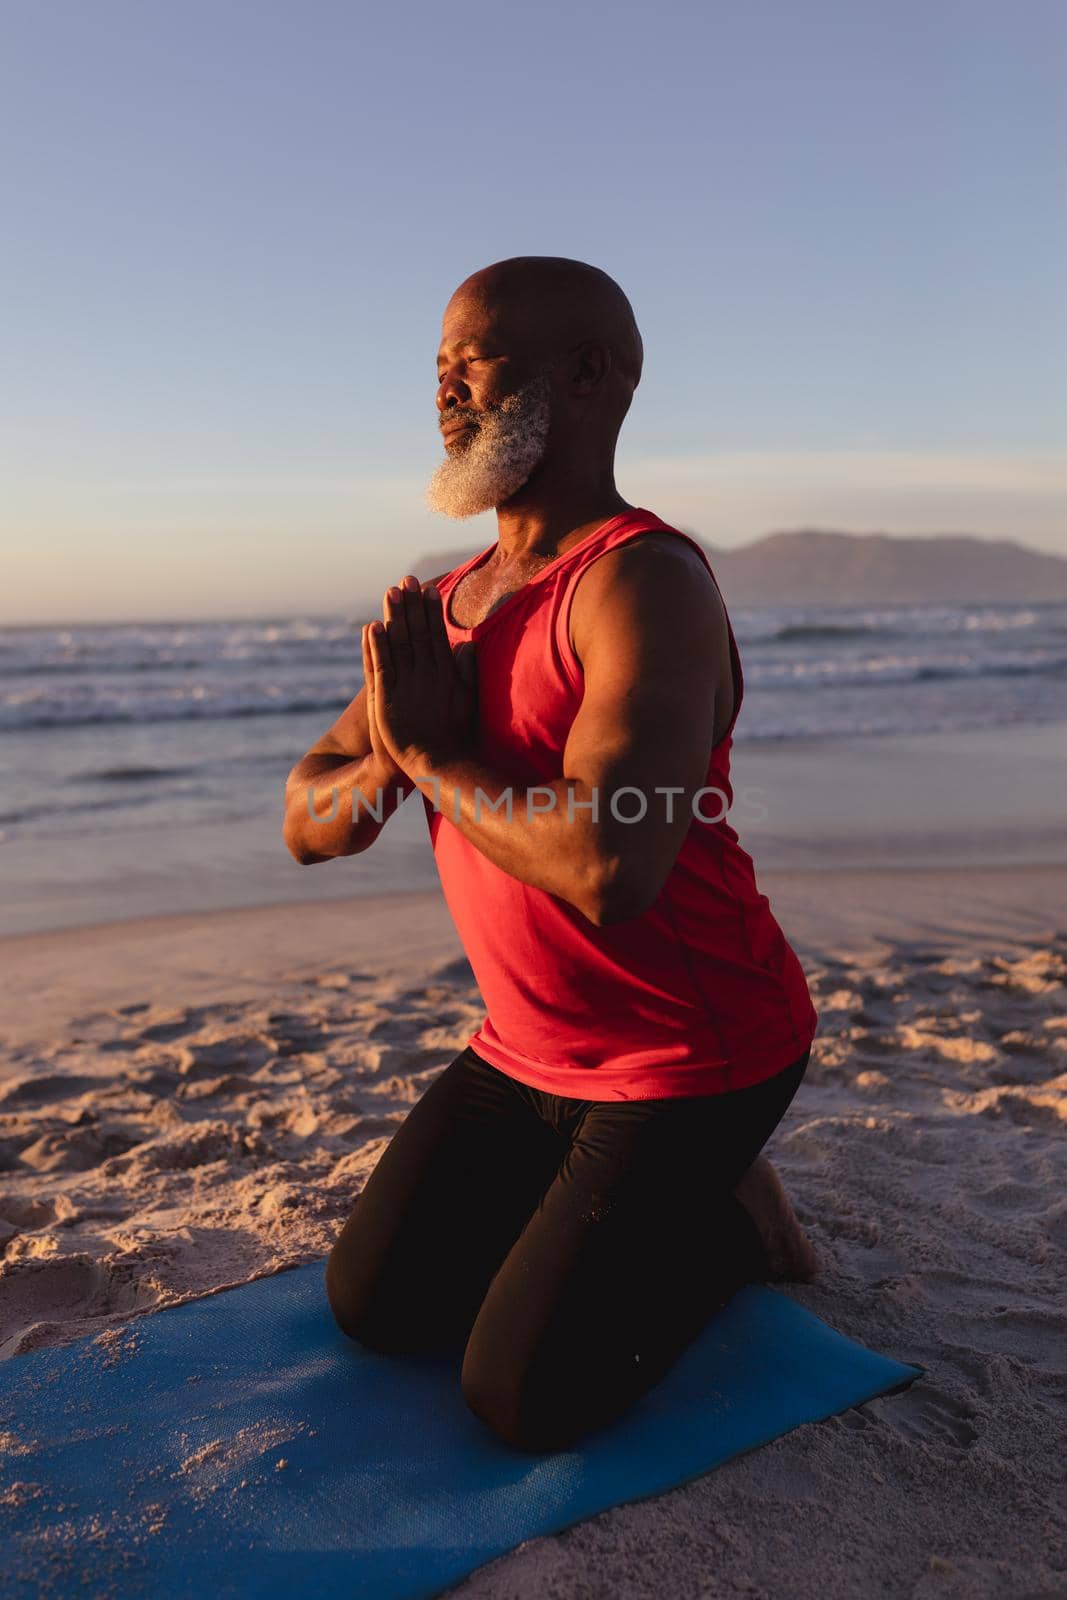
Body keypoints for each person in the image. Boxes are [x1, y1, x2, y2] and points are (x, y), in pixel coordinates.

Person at [283, 256, 819, 1454]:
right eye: (435, 372)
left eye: (473, 364)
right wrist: (385, 764)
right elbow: (306, 815)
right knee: (375, 1308)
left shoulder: (640, 584)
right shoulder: (447, 603)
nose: (443, 396)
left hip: (691, 1051)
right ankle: (634, 1203)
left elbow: (607, 869)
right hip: (525, 1051)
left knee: (519, 1395)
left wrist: (428, 760)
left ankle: (738, 1223)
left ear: (586, 376)